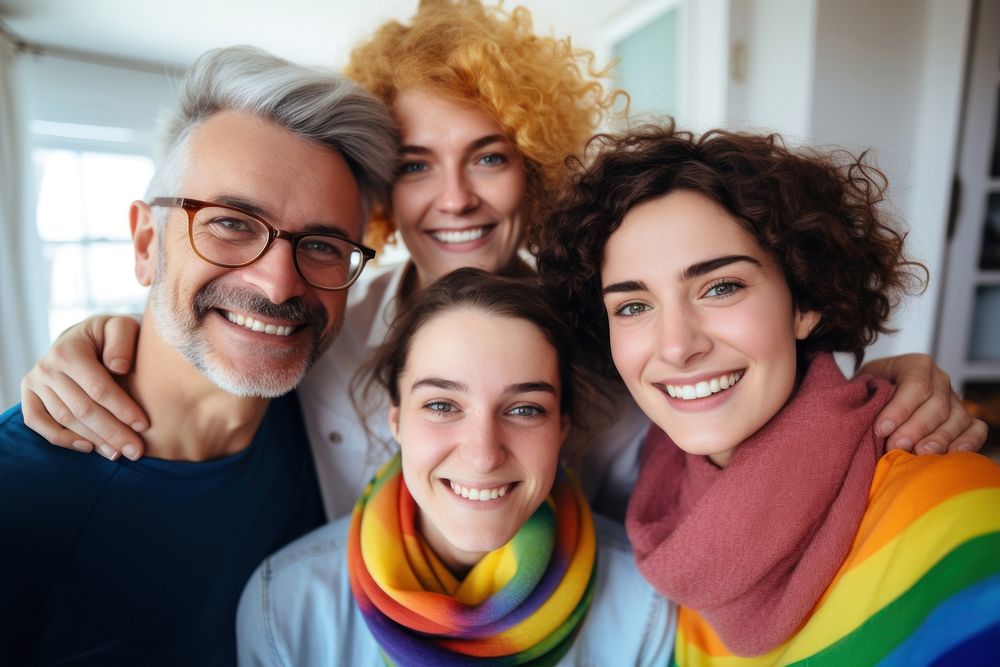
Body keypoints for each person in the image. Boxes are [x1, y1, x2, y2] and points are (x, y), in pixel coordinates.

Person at [17, 0, 989, 522]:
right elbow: (219, 330)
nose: (455, 198)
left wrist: (880, 381)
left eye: (489, 156)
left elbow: (742, 406)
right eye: (414, 166)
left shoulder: (620, 325)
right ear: (376, 195)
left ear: (534, 165)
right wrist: (99, 338)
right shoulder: (323, 316)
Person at [535, 124, 1000, 665]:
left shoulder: (959, 518)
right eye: (633, 306)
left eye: (721, 287)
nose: (678, 346)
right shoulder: (665, 522)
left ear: (805, 301)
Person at [0, 46, 398, 665]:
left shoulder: (329, 414)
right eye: (233, 223)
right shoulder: (18, 498)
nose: (278, 285)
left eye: (321, 244)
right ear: (145, 243)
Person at [236, 268, 676, 666]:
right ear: (396, 419)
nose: (483, 455)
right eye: (442, 405)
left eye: (524, 410)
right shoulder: (285, 603)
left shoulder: (647, 603)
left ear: (562, 427)